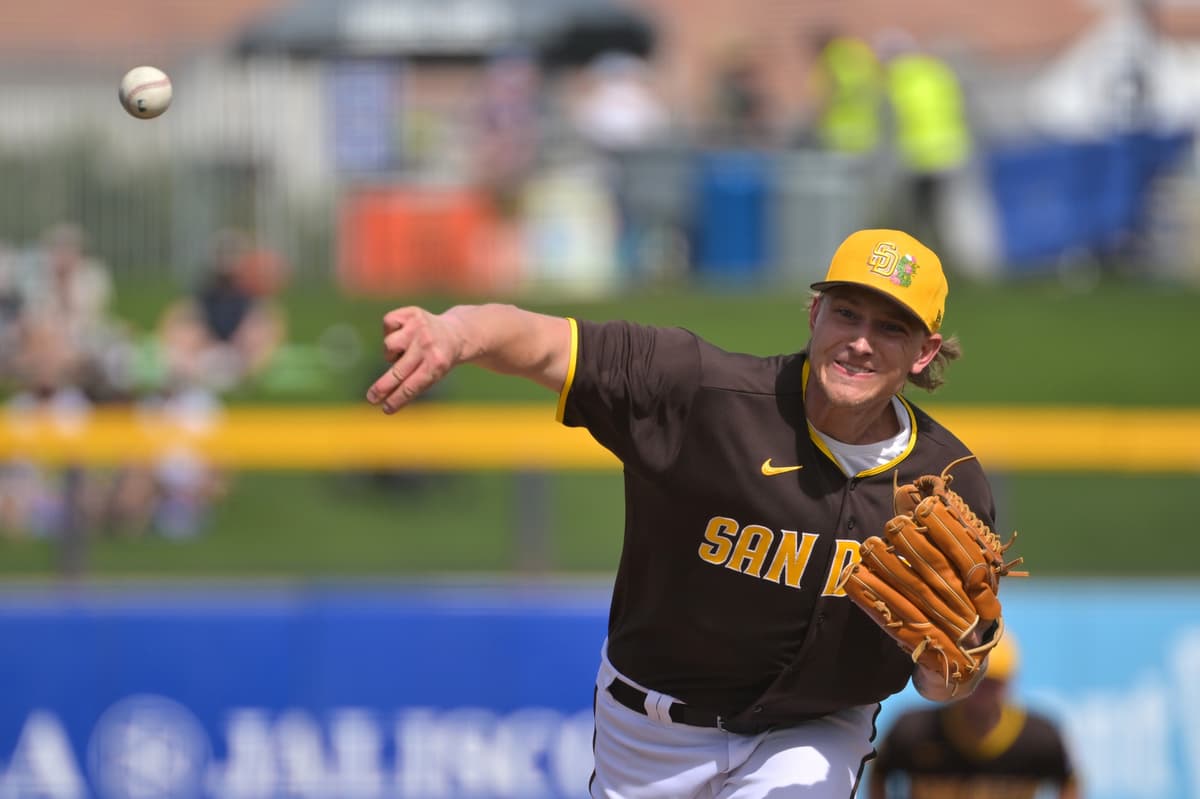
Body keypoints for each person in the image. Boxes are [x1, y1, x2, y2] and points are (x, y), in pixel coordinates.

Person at [366, 228, 999, 798]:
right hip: (650, 731)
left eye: (891, 328)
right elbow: (548, 345)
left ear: (924, 351)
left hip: (815, 731)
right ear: (814, 314)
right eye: (847, 313)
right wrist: (456, 333)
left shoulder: (948, 485)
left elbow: (941, 685)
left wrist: (963, 658)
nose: (860, 342)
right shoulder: (701, 395)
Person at [869, 634, 1080, 798]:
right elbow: (879, 772)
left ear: (1008, 682)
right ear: (958, 678)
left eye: (991, 682)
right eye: (974, 680)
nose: (981, 691)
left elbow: (1068, 780)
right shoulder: (916, 729)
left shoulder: (1038, 737)